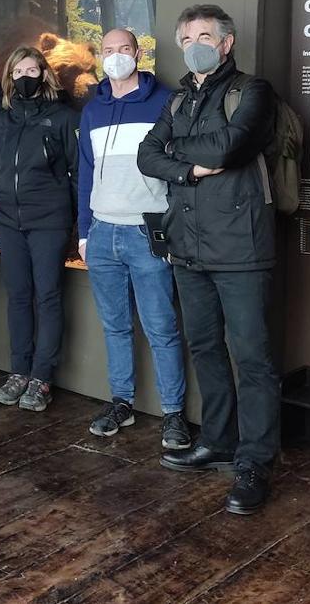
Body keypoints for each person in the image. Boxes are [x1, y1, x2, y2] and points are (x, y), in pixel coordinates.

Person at [137, 4, 280, 516]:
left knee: (253, 358)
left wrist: (183, 152)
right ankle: (218, 440)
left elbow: (231, 146)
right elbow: (146, 155)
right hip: (187, 247)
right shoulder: (178, 99)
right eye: (187, 36)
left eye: (205, 35)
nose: (195, 42)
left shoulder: (253, 91)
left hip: (241, 247)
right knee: (205, 349)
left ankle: (255, 460)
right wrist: (190, 170)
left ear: (226, 43)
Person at [77, 28, 191, 447]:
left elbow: (180, 166)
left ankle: (174, 414)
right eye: (108, 51)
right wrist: (84, 232)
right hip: (103, 230)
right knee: (115, 326)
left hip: (148, 230)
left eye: (123, 49)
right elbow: (85, 174)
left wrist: (172, 227)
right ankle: (121, 401)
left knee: (161, 327)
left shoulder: (164, 102)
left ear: (138, 53)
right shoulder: (92, 109)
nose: (116, 56)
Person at [0, 47, 79, 412]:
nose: (25, 75)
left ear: (44, 74)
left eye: (32, 69)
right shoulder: (2, 119)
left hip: (49, 221)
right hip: (9, 221)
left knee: (48, 296)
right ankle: (19, 371)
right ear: (10, 77)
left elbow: (77, 172)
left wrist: (72, 222)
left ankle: (42, 377)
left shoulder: (63, 117)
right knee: (18, 296)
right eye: (18, 69)